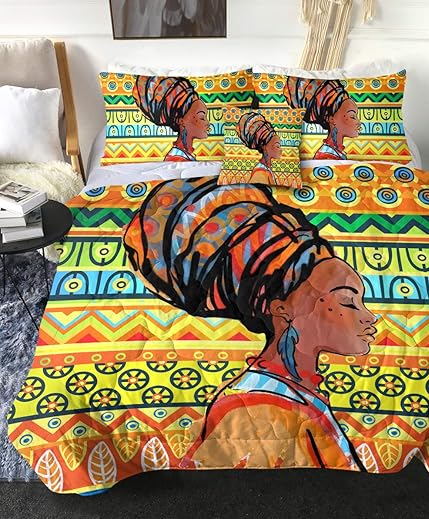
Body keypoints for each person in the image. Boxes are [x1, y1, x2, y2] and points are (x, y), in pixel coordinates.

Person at [123, 177, 377, 470]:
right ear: (281, 308)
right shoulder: (259, 406)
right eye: (347, 301)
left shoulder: (298, 390)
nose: (370, 317)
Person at [133, 75, 210, 162]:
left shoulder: (186, 155)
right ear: (181, 121)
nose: (208, 123)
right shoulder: (177, 159)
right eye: (202, 117)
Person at [284, 77, 361, 160]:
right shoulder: (326, 157)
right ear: (331, 119)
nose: (359, 122)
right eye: (352, 116)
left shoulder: (337, 153)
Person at [237, 112, 281, 184]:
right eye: (277, 146)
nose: (281, 150)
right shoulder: (260, 173)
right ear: (264, 147)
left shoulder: (266, 169)